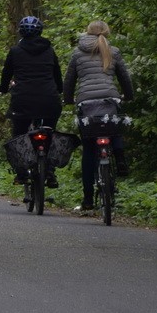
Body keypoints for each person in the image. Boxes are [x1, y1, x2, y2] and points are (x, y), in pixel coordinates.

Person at [62, 20, 134, 210]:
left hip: (86, 103)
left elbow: (69, 80)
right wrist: (129, 95)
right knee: (113, 126)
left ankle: (87, 199)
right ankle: (120, 158)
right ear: (106, 32)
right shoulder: (113, 51)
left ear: (88, 32)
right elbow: (124, 77)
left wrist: (68, 99)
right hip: (110, 98)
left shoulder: (78, 53)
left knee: (88, 150)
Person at [0, 15, 64, 187]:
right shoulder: (49, 50)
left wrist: (3, 89)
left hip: (23, 100)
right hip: (49, 99)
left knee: (19, 135)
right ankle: (49, 172)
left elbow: (6, 74)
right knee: (49, 132)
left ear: (21, 32)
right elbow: (57, 75)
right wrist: (60, 90)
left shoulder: (15, 51)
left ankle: (21, 174)